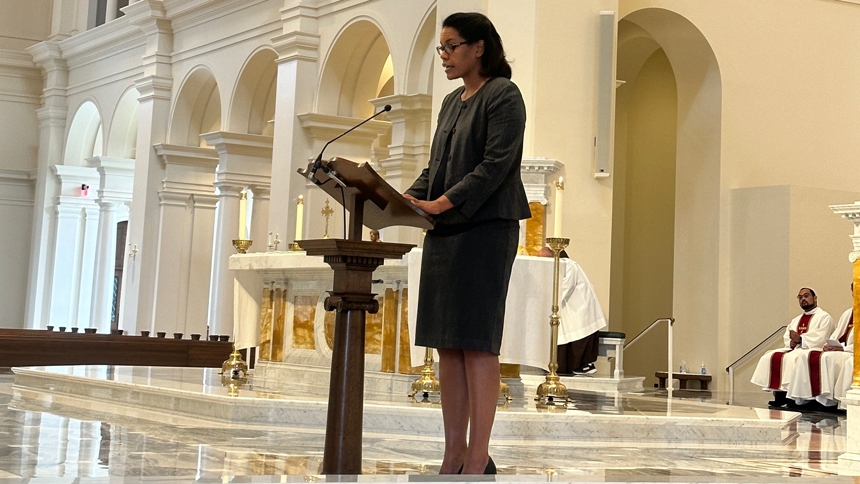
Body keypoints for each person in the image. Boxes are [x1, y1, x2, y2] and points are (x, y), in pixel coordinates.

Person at [403, 12, 530, 475]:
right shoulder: (450, 103)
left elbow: (495, 165)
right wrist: (405, 198)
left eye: (451, 46)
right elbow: (436, 165)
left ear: (479, 47)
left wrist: (442, 202)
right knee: (447, 346)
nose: (444, 56)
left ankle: (478, 455)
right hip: (445, 232)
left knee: (476, 343)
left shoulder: (503, 94)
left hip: (485, 229)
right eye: (441, 48)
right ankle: (452, 451)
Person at [750, 287, 833, 408]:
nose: (803, 299)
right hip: (798, 348)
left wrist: (800, 339)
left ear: (815, 298)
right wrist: (792, 343)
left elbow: (822, 337)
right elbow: (788, 337)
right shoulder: (796, 320)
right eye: (800, 297)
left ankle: (796, 398)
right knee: (770, 356)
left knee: (796, 358)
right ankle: (780, 394)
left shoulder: (824, 317)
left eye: (806, 296)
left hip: (814, 350)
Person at [536, 247, 607, 375]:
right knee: (563, 333)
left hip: (580, 308)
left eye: (543, 259)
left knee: (578, 332)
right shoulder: (552, 269)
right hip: (568, 309)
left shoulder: (568, 265)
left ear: (552, 257)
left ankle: (583, 364)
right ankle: (561, 366)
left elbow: (563, 289)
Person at [786, 284, 854, 409]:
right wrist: (830, 344)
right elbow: (836, 333)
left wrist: (843, 348)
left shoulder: (823, 316)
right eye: (854, 290)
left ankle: (829, 401)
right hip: (841, 350)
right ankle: (802, 398)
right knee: (806, 356)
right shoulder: (848, 313)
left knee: (827, 358)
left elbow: (821, 336)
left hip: (851, 351)